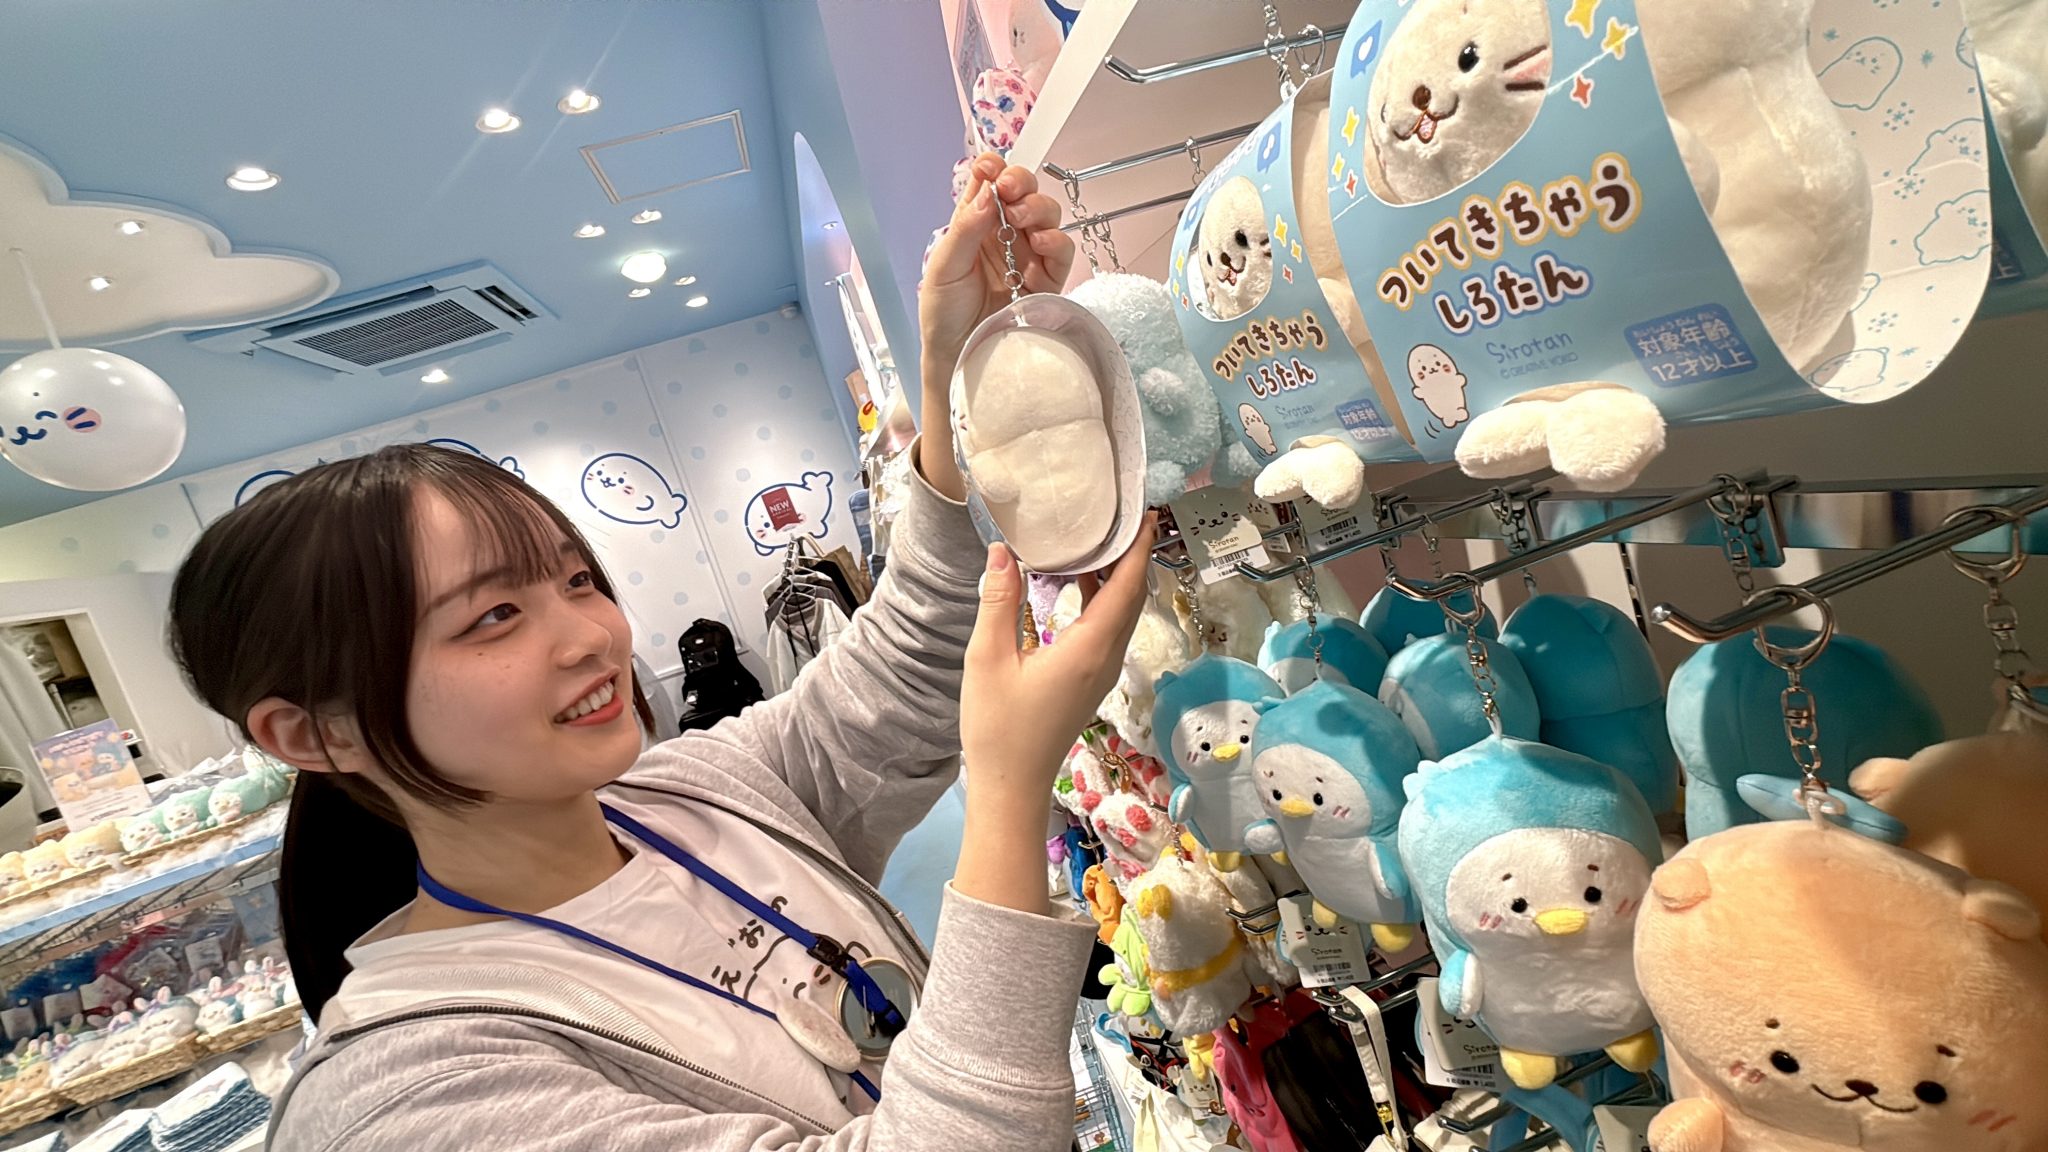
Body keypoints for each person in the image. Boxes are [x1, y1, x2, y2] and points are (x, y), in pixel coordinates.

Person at [168, 155, 1159, 1151]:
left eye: (576, 580)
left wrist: (947, 374)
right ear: (313, 733)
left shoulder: (695, 796)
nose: (589, 636)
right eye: (494, 616)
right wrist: (1007, 789)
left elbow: (900, 674)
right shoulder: (399, 1097)